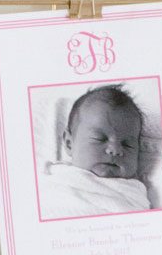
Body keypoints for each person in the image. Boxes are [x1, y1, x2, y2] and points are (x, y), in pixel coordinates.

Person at [38, 84, 151, 219]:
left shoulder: (134, 192)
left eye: (127, 144)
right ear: (69, 143)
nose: (115, 150)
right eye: (100, 139)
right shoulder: (58, 180)